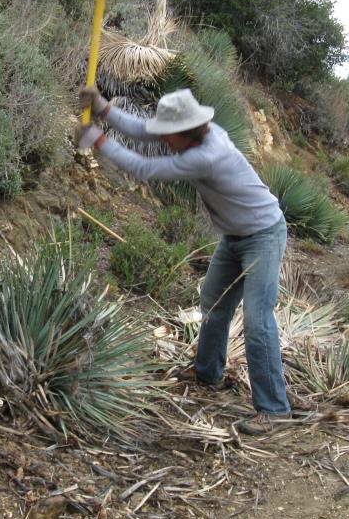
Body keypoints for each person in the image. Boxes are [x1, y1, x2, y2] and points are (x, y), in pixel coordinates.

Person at [76, 87, 291, 434]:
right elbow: (144, 129)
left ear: (184, 132)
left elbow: (143, 168)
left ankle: (274, 408)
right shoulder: (198, 136)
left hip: (263, 235)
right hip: (236, 236)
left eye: (167, 134)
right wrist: (103, 109)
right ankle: (208, 373)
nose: (162, 137)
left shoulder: (207, 155)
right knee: (214, 301)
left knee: (257, 319)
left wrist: (99, 141)